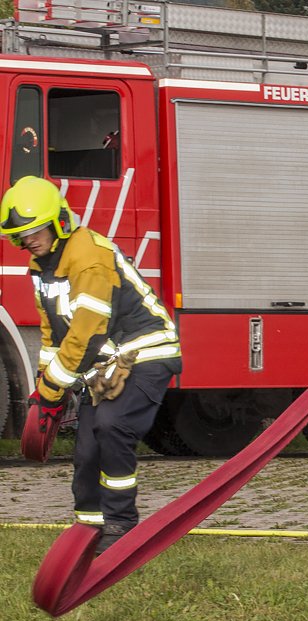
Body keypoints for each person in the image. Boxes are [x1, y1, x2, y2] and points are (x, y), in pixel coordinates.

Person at [0, 176, 182, 554]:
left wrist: (53, 391)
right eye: (20, 234)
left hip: (147, 352)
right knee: (85, 449)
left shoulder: (88, 257)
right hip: (106, 365)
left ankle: (121, 526)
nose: (29, 240)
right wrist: (43, 389)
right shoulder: (43, 266)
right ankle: (88, 529)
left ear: (59, 222)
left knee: (112, 426)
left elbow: (86, 334)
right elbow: (53, 337)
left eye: (36, 230)